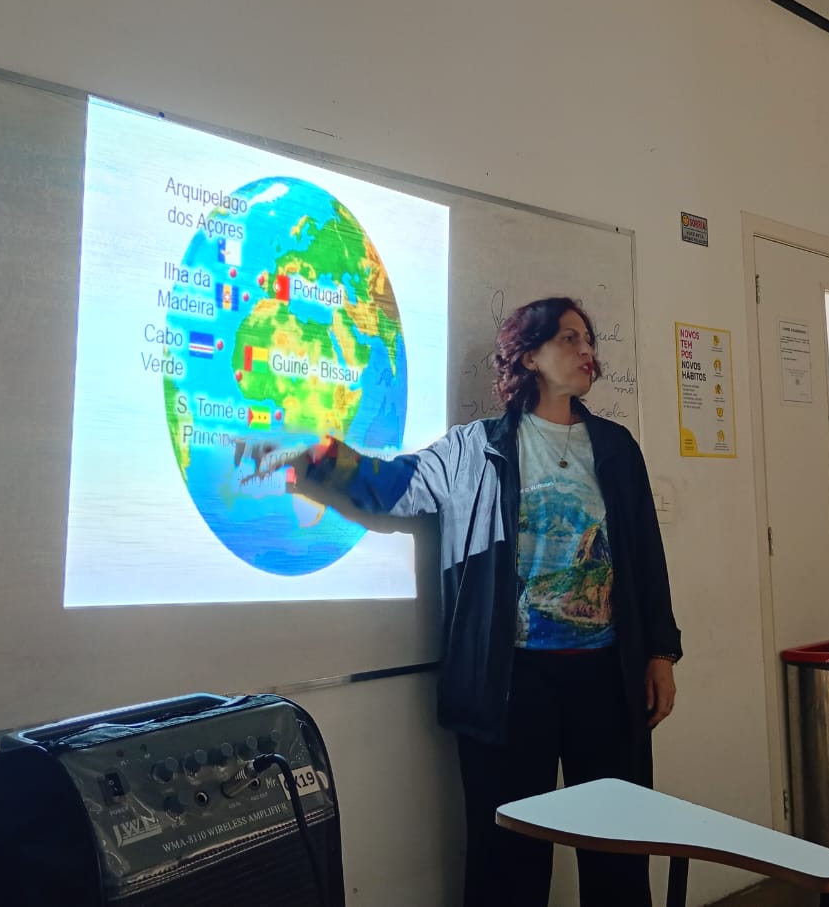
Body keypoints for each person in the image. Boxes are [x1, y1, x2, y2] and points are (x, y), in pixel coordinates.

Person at [285, 296, 682, 907]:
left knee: (618, 847)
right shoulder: (476, 447)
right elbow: (392, 487)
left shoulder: (616, 447)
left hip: (607, 675)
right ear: (528, 354)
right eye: (570, 339)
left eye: (589, 340)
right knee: (509, 856)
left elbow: (646, 558)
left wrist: (660, 653)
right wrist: (310, 456)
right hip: (510, 680)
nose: (587, 353)